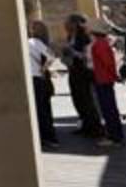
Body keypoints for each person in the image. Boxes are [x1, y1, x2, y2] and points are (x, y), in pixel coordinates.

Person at [63, 14, 104, 138]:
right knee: (78, 99)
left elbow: (87, 55)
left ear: (75, 23)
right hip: (73, 71)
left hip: (84, 72)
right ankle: (85, 125)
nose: (65, 25)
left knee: (87, 100)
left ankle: (95, 128)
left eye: (68, 22)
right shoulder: (70, 36)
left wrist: (73, 52)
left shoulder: (85, 37)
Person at [89, 19, 124, 147]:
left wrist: (115, 75)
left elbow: (107, 63)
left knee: (108, 109)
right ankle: (114, 135)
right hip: (105, 79)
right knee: (109, 108)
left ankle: (114, 137)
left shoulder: (99, 44)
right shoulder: (103, 43)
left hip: (103, 79)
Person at [28, 20, 60, 148]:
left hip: (32, 78)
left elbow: (51, 56)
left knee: (38, 110)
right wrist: (43, 69)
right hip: (39, 78)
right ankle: (49, 136)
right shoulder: (38, 42)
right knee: (43, 108)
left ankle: (46, 137)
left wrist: (42, 69)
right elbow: (51, 56)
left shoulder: (30, 42)